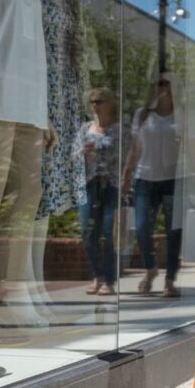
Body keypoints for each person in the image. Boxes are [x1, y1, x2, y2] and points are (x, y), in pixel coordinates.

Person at [122, 74, 182, 297]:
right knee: (141, 227)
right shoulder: (142, 115)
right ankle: (150, 269)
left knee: (173, 231)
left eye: (166, 84)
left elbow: (193, 147)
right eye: (158, 84)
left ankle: (170, 280)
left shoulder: (182, 115)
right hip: (144, 178)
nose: (162, 88)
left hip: (173, 179)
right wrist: (125, 175)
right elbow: (134, 148)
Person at [74, 88, 124, 296]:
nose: (95, 105)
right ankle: (98, 275)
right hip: (90, 185)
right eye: (93, 101)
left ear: (110, 103)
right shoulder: (85, 129)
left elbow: (129, 156)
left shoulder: (119, 130)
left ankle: (109, 281)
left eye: (100, 101)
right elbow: (73, 157)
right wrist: (83, 152)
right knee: (87, 233)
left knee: (109, 233)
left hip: (112, 186)